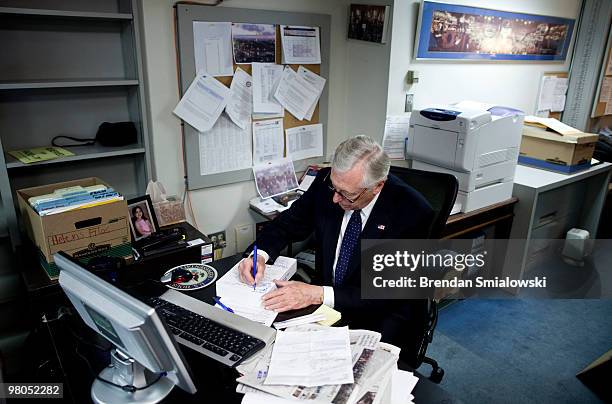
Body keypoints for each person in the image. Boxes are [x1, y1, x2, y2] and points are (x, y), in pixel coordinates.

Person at [238, 135, 435, 366]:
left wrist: (317, 293)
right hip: (326, 305)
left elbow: (385, 295)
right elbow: (287, 223)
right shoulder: (326, 183)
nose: (335, 198)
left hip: (381, 314)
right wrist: (259, 255)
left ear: (377, 186)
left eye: (346, 194)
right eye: (335, 187)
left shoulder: (413, 212)